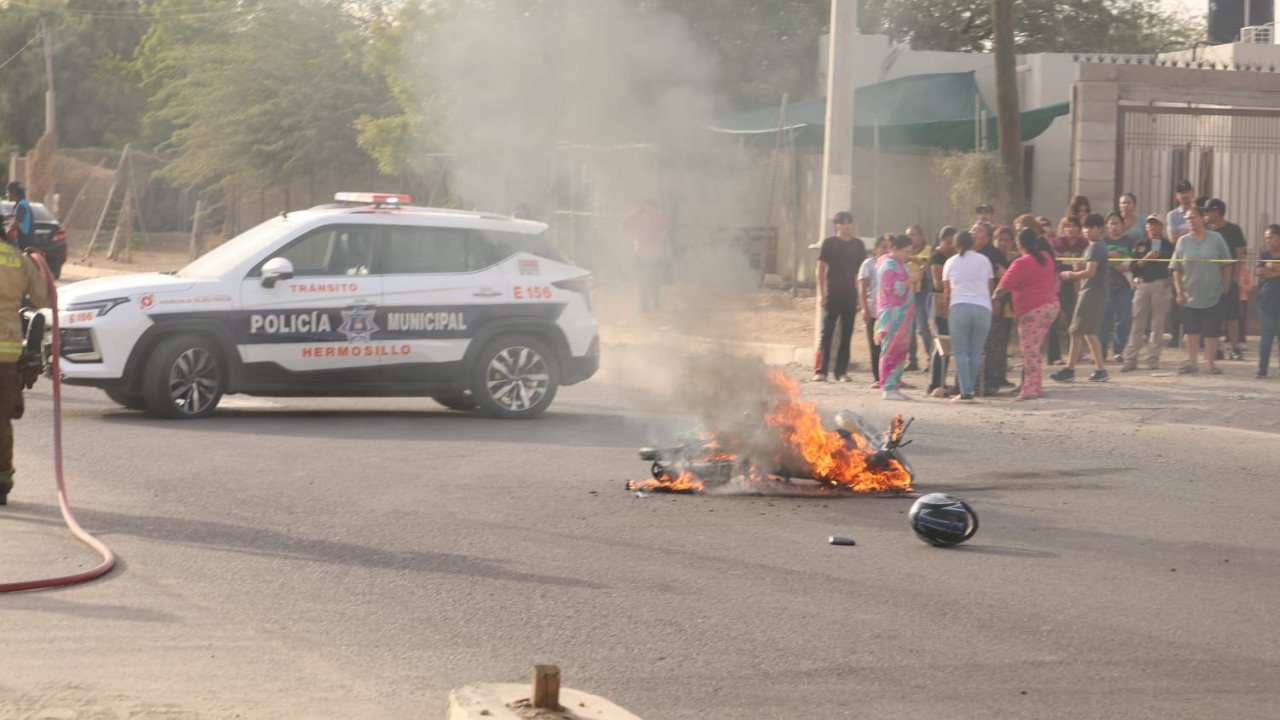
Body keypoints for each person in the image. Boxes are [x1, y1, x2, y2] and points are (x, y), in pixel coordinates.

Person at [0, 208, 53, 504]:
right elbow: (45, 299)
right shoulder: (18, 260)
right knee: (1, 422)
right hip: (6, 357)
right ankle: (2, 485)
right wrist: (36, 262)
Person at [995, 228, 1060, 400]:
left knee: (1029, 350)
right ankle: (1035, 386)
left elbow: (1003, 287)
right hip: (1051, 306)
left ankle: (1031, 389)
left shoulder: (1021, 262)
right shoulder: (1046, 257)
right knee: (1035, 349)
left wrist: (993, 297)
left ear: (1019, 244)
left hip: (1033, 309)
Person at [1170, 205, 1233, 375]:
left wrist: (1226, 285)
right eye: (1188, 218)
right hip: (1189, 292)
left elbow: (1227, 262)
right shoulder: (1183, 241)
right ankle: (1192, 363)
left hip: (1213, 291)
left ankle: (1211, 364)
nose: (1191, 221)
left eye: (1194, 217)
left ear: (1202, 218)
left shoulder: (1216, 238)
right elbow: (1175, 268)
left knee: (1212, 330)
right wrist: (1179, 291)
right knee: (1191, 330)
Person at [1051, 213, 1111, 383]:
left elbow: (1090, 273)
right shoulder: (1095, 246)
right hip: (1095, 293)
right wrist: (1080, 267)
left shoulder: (1095, 247)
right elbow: (1091, 269)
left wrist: (1070, 273)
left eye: (1091, 227)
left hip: (1091, 293)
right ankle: (1101, 369)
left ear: (1100, 229)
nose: (1087, 231)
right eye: (1085, 227)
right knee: (1089, 332)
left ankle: (1069, 369)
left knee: (1075, 330)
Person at [813, 211, 866, 382]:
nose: (847, 226)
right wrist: (822, 293)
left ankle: (841, 372)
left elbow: (861, 274)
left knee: (847, 333)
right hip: (832, 293)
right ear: (836, 226)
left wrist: (860, 298)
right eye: (843, 223)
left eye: (849, 223)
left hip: (850, 295)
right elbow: (820, 270)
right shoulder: (829, 244)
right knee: (826, 332)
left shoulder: (858, 245)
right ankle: (821, 370)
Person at [941, 230, 994, 402]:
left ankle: (966, 391)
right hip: (983, 308)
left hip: (959, 307)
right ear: (973, 243)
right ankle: (970, 390)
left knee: (961, 352)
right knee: (976, 352)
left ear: (956, 245)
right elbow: (990, 285)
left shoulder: (950, 262)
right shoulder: (984, 260)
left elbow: (947, 291)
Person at [1121, 214, 1175, 372]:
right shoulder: (1140, 245)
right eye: (1149, 224)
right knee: (1137, 323)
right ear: (1146, 227)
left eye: (1156, 224)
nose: (1152, 227)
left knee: (1157, 324)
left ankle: (1153, 359)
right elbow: (1132, 267)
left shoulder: (1169, 246)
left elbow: (1176, 265)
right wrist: (1147, 258)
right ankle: (1130, 359)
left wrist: (1170, 279)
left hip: (1161, 284)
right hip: (1143, 284)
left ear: (1161, 227)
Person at [1203, 198, 1247, 360]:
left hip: (1229, 279)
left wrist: (1234, 278)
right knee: (1214, 315)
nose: (1205, 215)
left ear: (1217, 211)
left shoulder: (1233, 230)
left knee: (1231, 315)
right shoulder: (1207, 232)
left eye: (1208, 211)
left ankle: (1235, 347)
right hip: (1211, 280)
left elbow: (1240, 255)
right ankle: (1217, 348)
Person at [875, 234, 917, 401]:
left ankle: (895, 384)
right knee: (890, 349)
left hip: (904, 313)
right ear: (895, 249)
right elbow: (893, 289)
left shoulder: (900, 264)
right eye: (905, 252)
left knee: (900, 350)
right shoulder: (888, 265)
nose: (908, 256)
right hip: (893, 313)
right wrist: (910, 281)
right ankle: (888, 387)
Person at [975, 222, 1012, 394]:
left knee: (994, 345)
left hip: (992, 304)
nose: (974, 232)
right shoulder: (966, 252)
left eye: (979, 231)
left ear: (988, 237)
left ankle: (992, 382)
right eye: (973, 229)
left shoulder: (993, 255)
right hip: (974, 305)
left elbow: (1001, 280)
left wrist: (996, 301)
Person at [1049, 216, 1087, 365]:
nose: (1070, 229)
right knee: (1055, 320)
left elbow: (1086, 262)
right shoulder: (1057, 243)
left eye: (1073, 226)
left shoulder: (1083, 244)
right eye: (1067, 226)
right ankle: (1054, 356)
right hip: (1058, 285)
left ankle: (1077, 353)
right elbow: (1053, 263)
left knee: (1075, 320)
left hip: (1077, 284)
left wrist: (1078, 266)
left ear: (1079, 228)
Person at [1100, 212, 1135, 361]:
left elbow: (1131, 262)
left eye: (1117, 223)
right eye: (1111, 223)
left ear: (1123, 225)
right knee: (1104, 320)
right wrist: (1112, 258)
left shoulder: (1129, 241)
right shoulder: (1102, 242)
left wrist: (1114, 260)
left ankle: (1118, 350)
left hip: (1124, 285)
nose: (1114, 227)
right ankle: (1100, 351)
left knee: (1124, 319)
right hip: (1106, 285)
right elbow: (1098, 260)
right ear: (1106, 226)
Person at [622, 199, 668, 313]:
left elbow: (663, 224)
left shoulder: (658, 217)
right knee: (641, 280)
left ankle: (655, 302)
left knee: (654, 279)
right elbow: (624, 224)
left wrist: (654, 214)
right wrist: (637, 213)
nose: (648, 210)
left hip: (655, 255)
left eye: (650, 208)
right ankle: (644, 305)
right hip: (641, 254)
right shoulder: (639, 218)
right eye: (646, 208)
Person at [859, 235, 892, 387]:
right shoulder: (869, 264)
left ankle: (889, 376)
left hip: (889, 312)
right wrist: (864, 309)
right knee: (876, 346)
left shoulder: (891, 265)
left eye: (889, 247)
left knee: (889, 346)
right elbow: (862, 289)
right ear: (876, 248)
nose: (886, 250)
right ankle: (878, 377)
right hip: (873, 311)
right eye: (883, 247)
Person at [905, 224, 931, 372]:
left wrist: (914, 260)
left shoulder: (928, 250)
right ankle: (912, 360)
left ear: (921, 237)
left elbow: (928, 265)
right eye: (908, 234)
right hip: (906, 294)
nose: (910, 237)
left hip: (922, 295)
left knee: (923, 328)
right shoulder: (903, 252)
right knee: (909, 329)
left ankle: (930, 358)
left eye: (913, 234)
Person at [1255, 224, 1280, 378]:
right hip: (1266, 302)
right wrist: (1277, 270)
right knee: (1266, 337)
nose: (1267, 241)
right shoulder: (1263, 254)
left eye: (1270, 237)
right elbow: (1259, 271)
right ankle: (1262, 368)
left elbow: (1266, 271)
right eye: (1266, 238)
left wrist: (1272, 267)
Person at [929, 226, 958, 336]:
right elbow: (938, 285)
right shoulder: (936, 257)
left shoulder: (955, 256)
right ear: (940, 241)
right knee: (942, 338)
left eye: (954, 243)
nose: (952, 246)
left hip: (952, 301)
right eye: (948, 243)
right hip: (940, 302)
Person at [3, 182, 36, 251]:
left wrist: (5, 233)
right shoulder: (21, 203)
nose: (7, 195)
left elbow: (16, 223)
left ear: (14, 192)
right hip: (26, 241)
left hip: (25, 243)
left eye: (8, 192)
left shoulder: (21, 205)